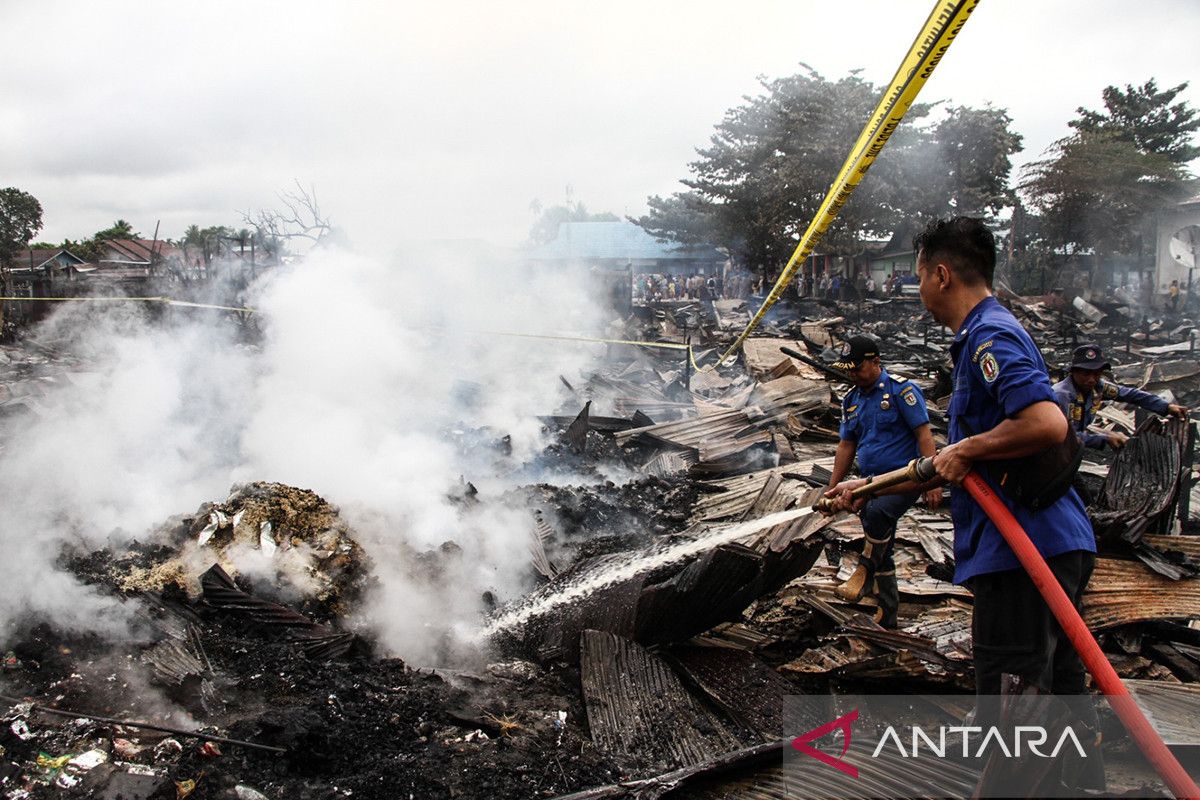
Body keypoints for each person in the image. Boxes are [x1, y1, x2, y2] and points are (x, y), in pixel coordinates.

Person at [824, 219, 1100, 749]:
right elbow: (940, 465)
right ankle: (1078, 782)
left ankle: (1014, 783)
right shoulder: (982, 336)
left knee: (1014, 706)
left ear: (942, 275)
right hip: (1046, 545)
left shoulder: (989, 337)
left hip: (1025, 554)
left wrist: (967, 448)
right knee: (1062, 700)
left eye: (919, 275)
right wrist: (860, 489)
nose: (918, 287)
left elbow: (1045, 423)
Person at [825, 335, 939, 628]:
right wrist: (831, 488)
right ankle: (888, 613)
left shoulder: (902, 391)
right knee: (881, 544)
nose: (853, 374)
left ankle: (863, 571)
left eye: (858, 368)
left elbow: (924, 435)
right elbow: (846, 446)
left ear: (876, 362)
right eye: (849, 369)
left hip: (905, 478)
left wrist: (933, 480)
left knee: (878, 515)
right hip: (869, 482)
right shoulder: (851, 399)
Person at [1053, 344, 1189, 450]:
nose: (1091, 379)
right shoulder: (1062, 395)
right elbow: (1064, 435)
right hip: (1053, 451)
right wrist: (1104, 438)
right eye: (1086, 374)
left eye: (1096, 374)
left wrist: (1166, 407)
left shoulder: (1098, 387)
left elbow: (1130, 394)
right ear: (1073, 372)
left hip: (1071, 448)